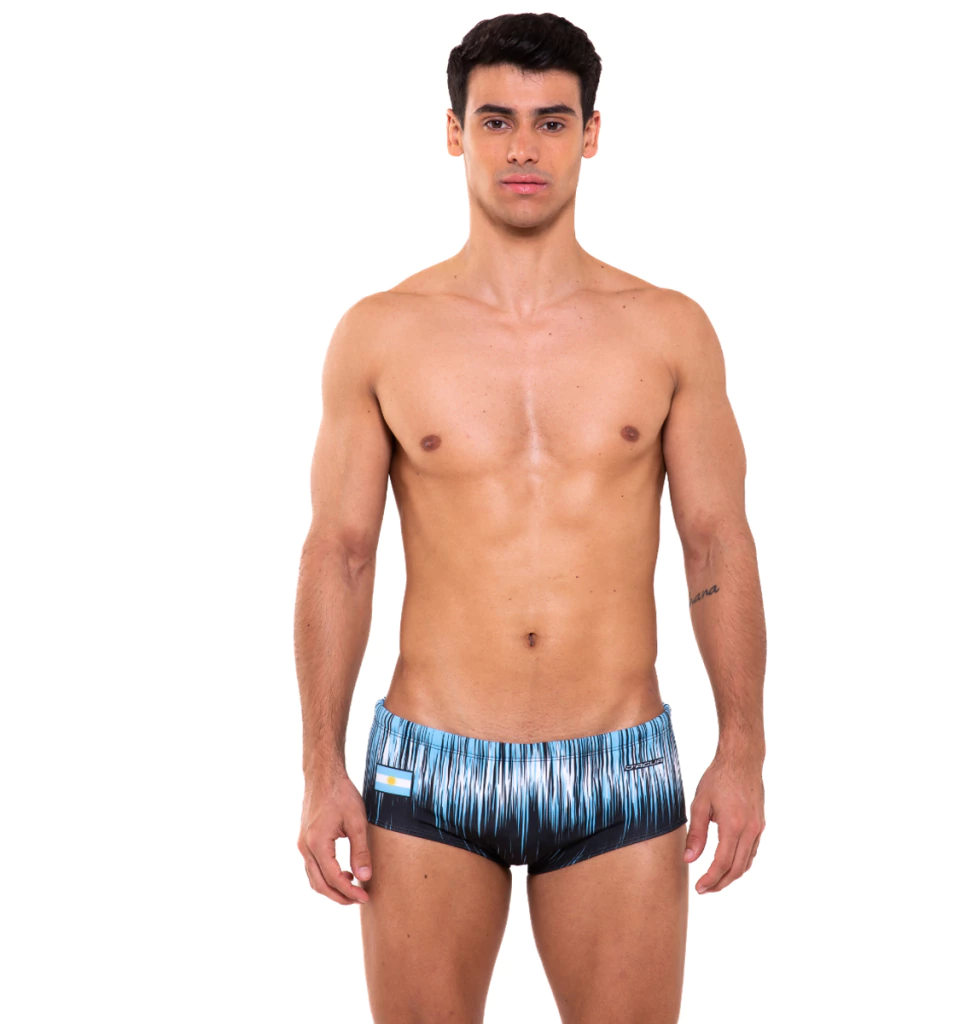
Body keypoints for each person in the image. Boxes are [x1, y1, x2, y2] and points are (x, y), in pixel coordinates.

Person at [294, 12, 766, 1023]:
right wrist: (319, 765)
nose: (522, 148)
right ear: (453, 132)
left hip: (618, 761)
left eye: (551, 122)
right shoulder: (381, 333)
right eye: (496, 120)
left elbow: (716, 542)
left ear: (591, 135)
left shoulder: (667, 329)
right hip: (431, 763)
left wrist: (744, 748)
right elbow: (340, 553)